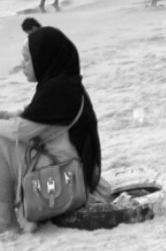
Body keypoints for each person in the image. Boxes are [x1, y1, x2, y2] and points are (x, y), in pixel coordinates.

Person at [0, 26, 102, 232]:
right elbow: (34, 118)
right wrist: (9, 115)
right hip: (78, 173)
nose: (22, 65)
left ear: (44, 58)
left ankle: (6, 222)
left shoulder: (58, 93)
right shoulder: (64, 86)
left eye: (27, 59)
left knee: (2, 141)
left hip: (70, 182)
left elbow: (19, 131)